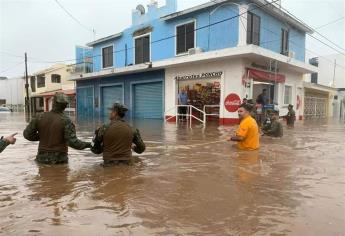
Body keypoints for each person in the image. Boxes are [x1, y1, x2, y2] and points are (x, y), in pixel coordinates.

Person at [23, 92, 91, 164]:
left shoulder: (39, 116)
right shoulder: (66, 121)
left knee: (43, 174)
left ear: (53, 103)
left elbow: (27, 134)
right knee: (61, 174)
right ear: (65, 106)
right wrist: (89, 144)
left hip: (41, 158)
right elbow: (73, 143)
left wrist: (41, 136)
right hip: (59, 160)